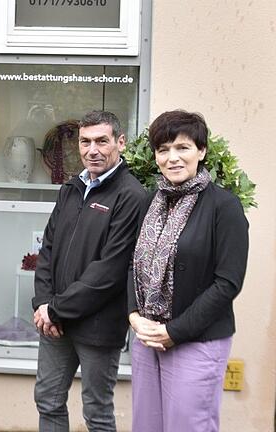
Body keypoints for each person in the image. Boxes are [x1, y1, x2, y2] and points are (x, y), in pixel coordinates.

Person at [128, 110, 248, 432]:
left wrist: (174, 332)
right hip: (146, 337)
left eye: (182, 148)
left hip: (195, 340)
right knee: (146, 426)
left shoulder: (224, 206)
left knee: (187, 426)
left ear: (202, 151)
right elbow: (135, 262)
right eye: (163, 149)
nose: (173, 158)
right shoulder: (150, 201)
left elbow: (227, 283)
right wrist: (134, 314)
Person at [32, 110, 145, 431]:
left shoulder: (131, 195)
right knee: (48, 400)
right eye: (85, 141)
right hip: (55, 323)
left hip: (97, 326)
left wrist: (55, 309)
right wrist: (42, 304)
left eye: (101, 141)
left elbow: (110, 270)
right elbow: (48, 250)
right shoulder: (70, 188)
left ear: (120, 142)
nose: (92, 150)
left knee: (96, 411)